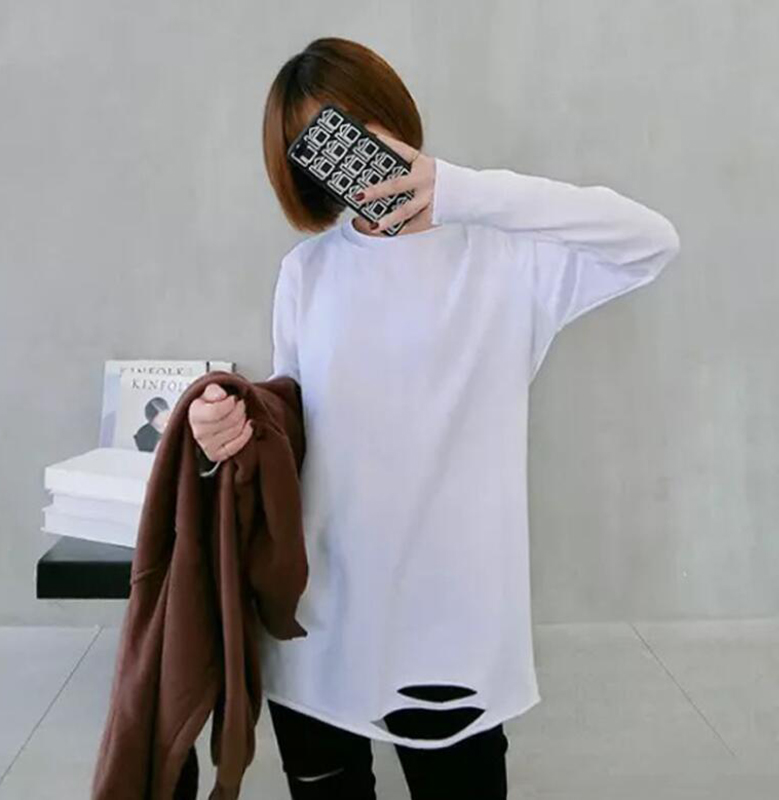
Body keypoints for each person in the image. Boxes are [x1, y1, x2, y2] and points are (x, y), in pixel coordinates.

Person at [188, 35, 681, 800]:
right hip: (321, 616)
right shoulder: (306, 272)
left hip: (450, 620)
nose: (350, 155)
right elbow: (294, 427)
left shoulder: (508, 258)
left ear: (394, 117)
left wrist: (459, 191)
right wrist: (225, 427)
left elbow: (651, 240)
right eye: (318, 143)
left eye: (356, 126)